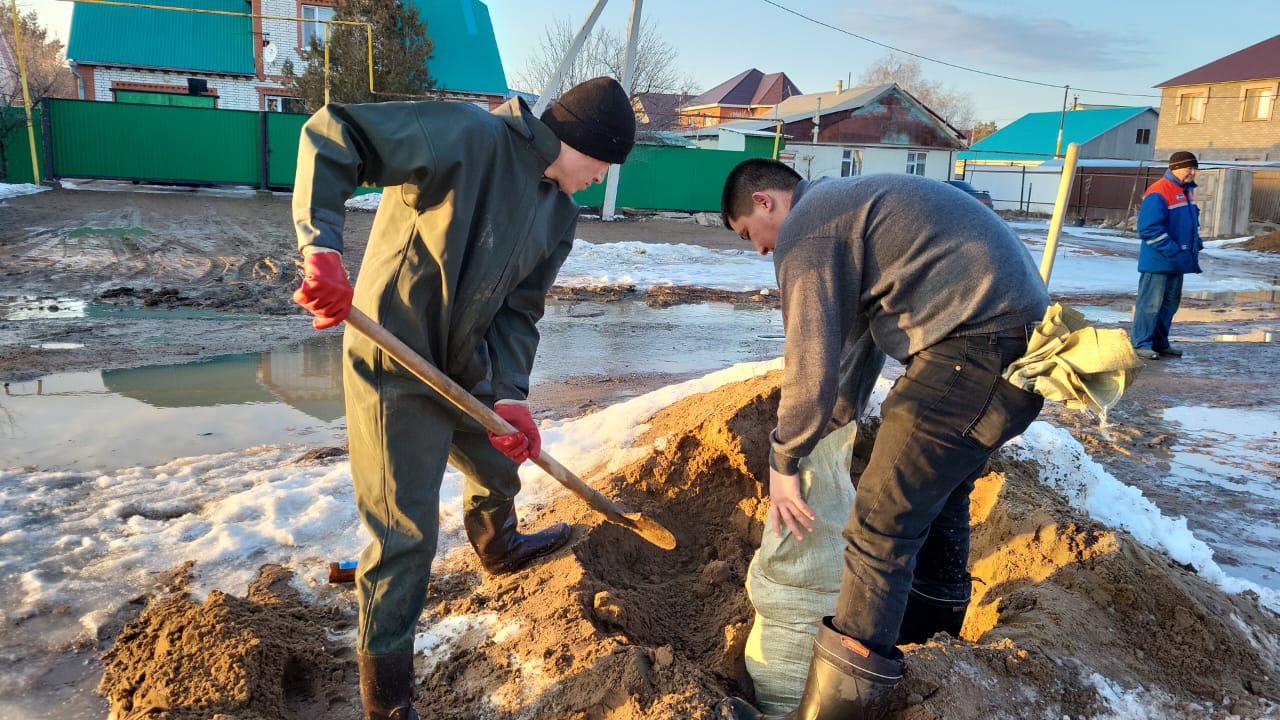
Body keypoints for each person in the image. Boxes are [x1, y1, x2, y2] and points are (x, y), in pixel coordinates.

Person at [290, 77, 635, 720]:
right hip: (396, 358)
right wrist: (322, 251)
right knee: (404, 536)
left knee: (501, 462)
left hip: (464, 364)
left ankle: (497, 543)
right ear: (579, 143)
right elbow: (335, 134)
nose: (601, 180)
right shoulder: (468, 135)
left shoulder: (559, 213)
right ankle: (387, 701)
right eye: (603, 166)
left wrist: (511, 396)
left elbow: (518, 314)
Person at [717, 159, 1049, 719]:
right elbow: (855, 343)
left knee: (877, 524)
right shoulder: (849, 211)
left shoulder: (811, 226)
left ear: (766, 201)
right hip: (1008, 349)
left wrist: (785, 456)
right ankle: (928, 652)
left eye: (749, 233)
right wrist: (834, 423)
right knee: (938, 503)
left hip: (973, 346)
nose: (758, 251)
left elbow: (810, 358)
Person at [1130, 151, 1202, 360]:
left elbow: (1188, 223)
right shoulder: (1159, 191)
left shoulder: (1185, 191)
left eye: (1194, 168)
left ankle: (1160, 343)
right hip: (1159, 262)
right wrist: (1173, 249)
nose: (1193, 172)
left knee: (1169, 305)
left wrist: (1195, 243)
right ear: (1175, 168)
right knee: (1150, 305)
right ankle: (1141, 343)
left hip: (1176, 261)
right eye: (1189, 168)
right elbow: (1148, 228)